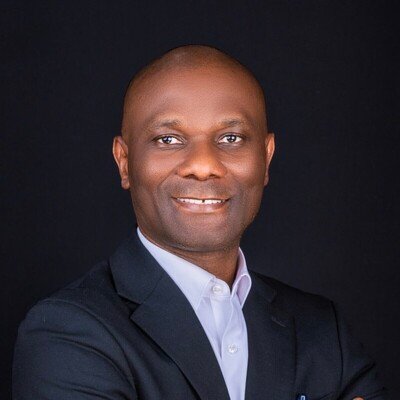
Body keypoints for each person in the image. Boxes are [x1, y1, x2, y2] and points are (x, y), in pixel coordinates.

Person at [12, 45, 386, 400]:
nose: (203, 165)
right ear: (124, 162)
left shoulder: (321, 329)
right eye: (168, 139)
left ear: (266, 157)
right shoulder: (69, 332)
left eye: (231, 137)